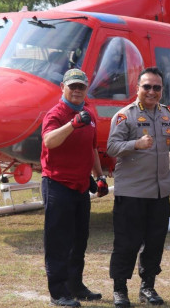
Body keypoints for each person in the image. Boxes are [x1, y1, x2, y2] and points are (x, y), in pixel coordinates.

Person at [107, 67, 170, 308]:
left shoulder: (166, 115)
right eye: (147, 86)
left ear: (161, 90)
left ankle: (147, 287)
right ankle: (120, 289)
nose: (151, 91)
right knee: (127, 243)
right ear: (137, 88)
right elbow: (111, 146)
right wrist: (135, 144)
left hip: (160, 192)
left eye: (156, 87)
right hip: (132, 192)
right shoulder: (124, 116)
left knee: (155, 242)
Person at [41, 68, 107, 307]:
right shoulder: (56, 113)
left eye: (81, 86)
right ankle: (58, 292)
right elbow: (49, 141)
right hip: (57, 185)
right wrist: (72, 124)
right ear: (63, 87)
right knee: (58, 241)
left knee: (80, 240)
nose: (77, 90)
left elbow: (92, 149)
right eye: (73, 86)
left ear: (86, 88)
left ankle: (75, 285)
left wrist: (99, 177)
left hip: (81, 187)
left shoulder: (88, 112)